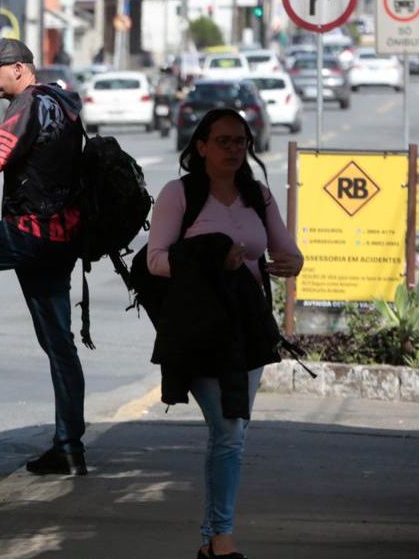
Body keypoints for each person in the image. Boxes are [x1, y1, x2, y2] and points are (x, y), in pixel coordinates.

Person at [146, 108, 304, 559]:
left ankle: (211, 541)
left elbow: (286, 250)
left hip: (246, 331)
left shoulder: (258, 195)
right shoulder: (179, 195)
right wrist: (212, 258)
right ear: (201, 146)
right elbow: (156, 260)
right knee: (230, 429)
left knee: (230, 433)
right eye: (224, 141)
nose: (234, 150)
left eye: (241, 142)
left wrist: (293, 263)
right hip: (197, 329)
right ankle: (222, 539)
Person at [0, 37, 89, 475]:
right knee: (59, 344)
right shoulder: (63, 103)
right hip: (63, 237)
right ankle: (69, 447)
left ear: (17, 68)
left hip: (29, 234)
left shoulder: (29, 105)